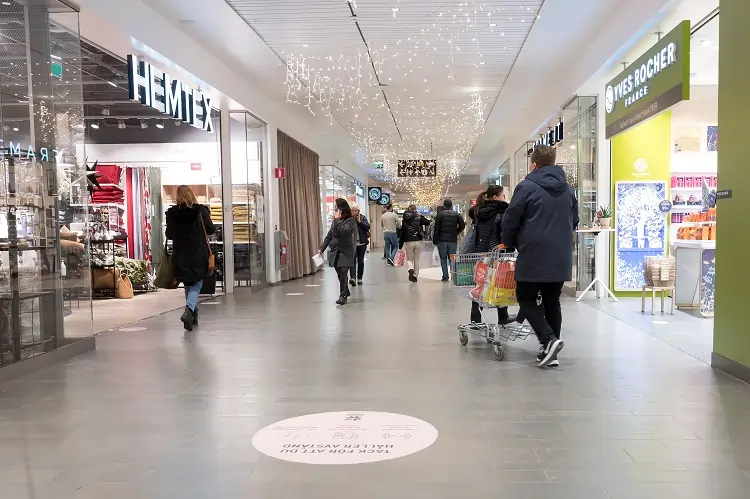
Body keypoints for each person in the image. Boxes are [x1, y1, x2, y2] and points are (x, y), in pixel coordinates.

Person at [502, 144, 578, 368]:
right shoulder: (569, 189)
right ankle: (550, 351)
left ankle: (549, 340)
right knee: (552, 300)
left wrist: (510, 242)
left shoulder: (526, 187)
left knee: (525, 298)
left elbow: (511, 218)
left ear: (533, 164)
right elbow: (574, 221)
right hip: (561, 254)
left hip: (534, 252)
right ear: (554, 162)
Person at [165, 185, 215, 331]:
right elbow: (210, 229)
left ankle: (193, 315)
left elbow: (169, 234)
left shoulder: (172, 213)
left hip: (181, 252)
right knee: (197, 281)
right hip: (198, 252)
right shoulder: (201, 211)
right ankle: (188, 310)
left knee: (188, 282)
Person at [470, 185, 516, 325]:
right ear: (496, 197)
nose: (504, 198)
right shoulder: (501, 212)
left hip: (481, 252)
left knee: (481, 284)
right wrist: (511, 246)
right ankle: (503, 317)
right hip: (497, 253)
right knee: (501, 284)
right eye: (503, 195)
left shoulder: (480, 211)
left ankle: (475, 319)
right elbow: (505, 232)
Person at [320, 198, 357, 305]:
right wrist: (321, 248)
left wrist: (336, 221)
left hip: (346, 250)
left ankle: (343, 295)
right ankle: (345, 289)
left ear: (341, 207)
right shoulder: (335, 220)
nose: (334, 208)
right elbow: (329, 235)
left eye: (335, 205)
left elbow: (344, 231)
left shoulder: (350, 220)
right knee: (340, 273)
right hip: (335, 250)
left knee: (343, 271)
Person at [433, 199, 466, 281]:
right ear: (451, 205)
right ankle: (453, 276)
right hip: (452, 240)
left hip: (442, 240)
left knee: (443, 259)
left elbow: (436, 229)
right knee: (452, 258)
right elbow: (462, 225)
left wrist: (435, 240)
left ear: (444, 206)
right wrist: (457, 232)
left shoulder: (440, 215)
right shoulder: (457, 215)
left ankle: (445, 276)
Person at [399, 205, 430, 282]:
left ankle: (410, 269)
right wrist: (421, 215)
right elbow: (427, 222)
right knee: (416, 259)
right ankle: (415, 275)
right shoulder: (418, 217)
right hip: (418, 240)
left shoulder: (404, 219)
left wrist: (400, 244)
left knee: (409, 259)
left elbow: (402, 232)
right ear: (415, 210)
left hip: (408, 241)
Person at [349, 204, 370, 286]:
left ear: (358, 211)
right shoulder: (348, 219)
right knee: (352, 261)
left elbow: (367, 227)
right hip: (352, 244)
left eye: (356, 210)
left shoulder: (362, 217)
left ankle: (360, 278)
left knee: (360, 261)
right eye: (353, 210)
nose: (354, 212)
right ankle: (353, 277)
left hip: (362, 243)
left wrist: (360, 222)